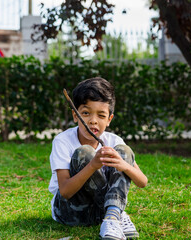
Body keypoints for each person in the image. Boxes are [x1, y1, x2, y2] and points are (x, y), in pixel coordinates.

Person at [49, 77, 148, 240]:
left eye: (101, 115)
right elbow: (65, 191)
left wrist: (124, 166)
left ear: (109, 119)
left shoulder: (114, 141)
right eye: (86, 113)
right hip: (70, 212)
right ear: (75, 115)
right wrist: (92, 165)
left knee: (123, 151)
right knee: (84, 153)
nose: (93, 120)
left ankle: (113, 216)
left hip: (100, 213)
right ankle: (116, 213)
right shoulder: (63, 141)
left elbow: (142, 181)